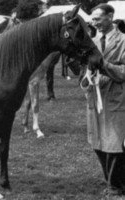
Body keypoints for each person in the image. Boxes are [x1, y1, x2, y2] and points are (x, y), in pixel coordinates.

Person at [87, 3, 125, 197]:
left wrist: (103, 65)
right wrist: (85, 79)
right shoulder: (91, 41)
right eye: (93, 19)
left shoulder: (124, 41)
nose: (95, 23)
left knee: (115, 144)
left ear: (110, 16)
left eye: (98, 19)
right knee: (98, 143)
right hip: (95, 100)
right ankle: (113, 181)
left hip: (116, 99)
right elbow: (85, 71)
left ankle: (115, 185)